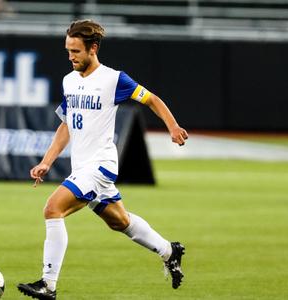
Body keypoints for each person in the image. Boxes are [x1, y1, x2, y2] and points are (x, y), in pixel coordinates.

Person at [17, 19, 189, 300]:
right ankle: (169, 251)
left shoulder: (114, 79)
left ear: (93, 48)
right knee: (119, 222)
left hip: (100, 166)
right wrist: (47, 161)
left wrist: (172, 127)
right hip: (82, 167)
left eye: (76, 51)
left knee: (52, 209)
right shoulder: (69, 81)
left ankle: (48, 284)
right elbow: (66, 124)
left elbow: (152, 99)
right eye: (68, 50)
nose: (70, 56)